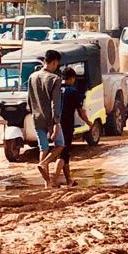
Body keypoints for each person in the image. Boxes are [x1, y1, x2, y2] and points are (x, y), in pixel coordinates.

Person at [28, 49, 63, 188]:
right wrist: (56, 122)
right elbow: (56, 103)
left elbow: (29, 99)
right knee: (60, 145)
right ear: (54, 62)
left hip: (37, 117)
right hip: (50, 119)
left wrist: (33, 113)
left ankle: (47, 183)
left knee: (43, 148)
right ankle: (44, 163)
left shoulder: (32, 77)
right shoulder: (55, 79)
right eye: (56, 64)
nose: (56, 67)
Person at [54, 67, 92, 187]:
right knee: (63, 154)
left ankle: (68, 180)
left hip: (55, 125)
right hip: (67, 126)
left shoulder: (56, 90)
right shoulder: (73, 92)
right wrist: (89, 123)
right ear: (72, 78)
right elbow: (80, 112)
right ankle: (53, 181)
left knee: (63, 153)